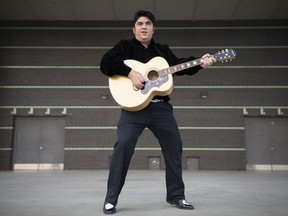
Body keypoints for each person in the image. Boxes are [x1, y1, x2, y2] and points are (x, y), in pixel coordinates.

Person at [100, 10, 216, 214]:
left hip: (161, 108)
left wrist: (200, 62)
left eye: (148, 23)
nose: (144, 26)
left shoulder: (162, 50)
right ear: (134, 28)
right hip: (133, 110)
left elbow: (180, 66)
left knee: (174, 147)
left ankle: (176, 196)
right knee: (123, 146)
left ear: (153, 28)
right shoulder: (124, 47)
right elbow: (105, 63)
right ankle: (110, 200)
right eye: (139, 23)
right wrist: (130, 72)